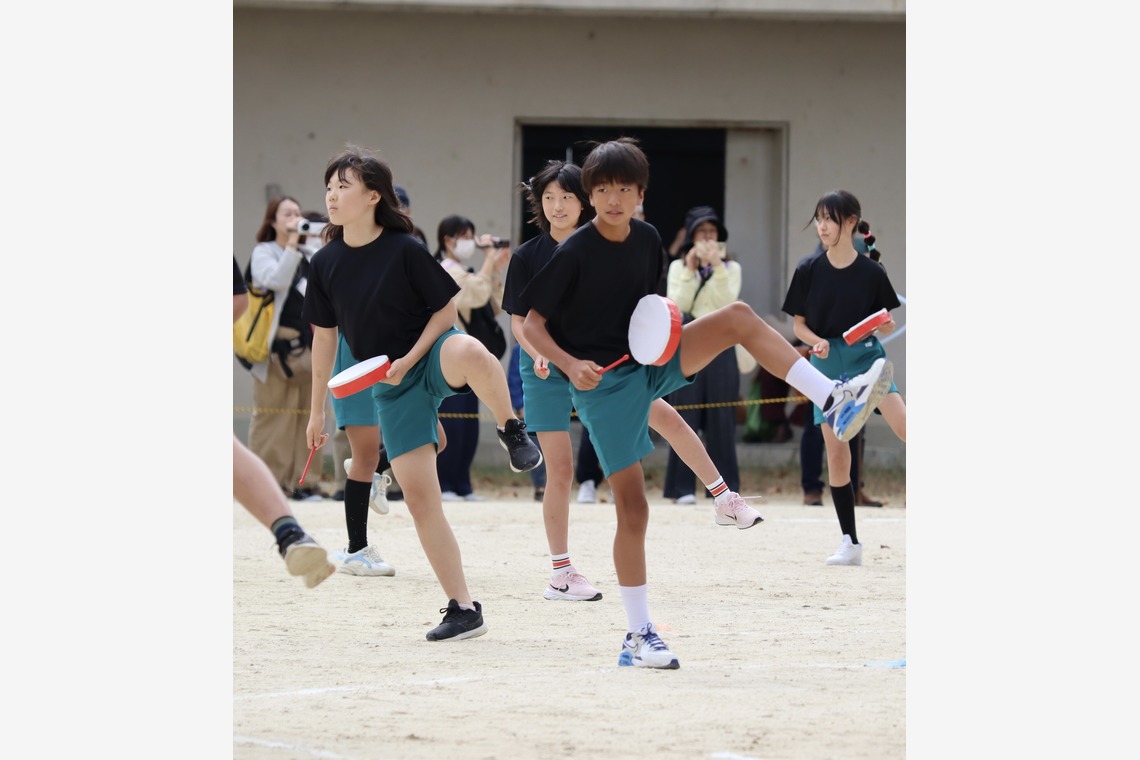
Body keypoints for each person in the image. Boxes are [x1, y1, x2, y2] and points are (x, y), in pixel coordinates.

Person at [520, 138, 892, 667]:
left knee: (739, 315)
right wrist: (566, 362)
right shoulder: (573, 251)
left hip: (651, 359)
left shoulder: (648, 240)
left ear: (641, 194)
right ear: (590, 193)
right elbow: (533, 325)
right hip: (604, 386)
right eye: (601, 189)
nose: (613, 198)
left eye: (624, 188)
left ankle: (832, 398)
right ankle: (638, 634)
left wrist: (665, 336)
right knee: (634, 506)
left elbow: (644, 308)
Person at [302, 145, 543, 642]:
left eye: (342, 185)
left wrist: (410, 359)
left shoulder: (405, 248)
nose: (331, 194)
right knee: (421, 501)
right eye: (328, 186)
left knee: (472, 351)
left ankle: (511, 428)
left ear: (372, 196)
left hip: (428, 355)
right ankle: (463, 608)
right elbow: (324, 339)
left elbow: (446, 315)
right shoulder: (324, 264)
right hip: (389, 387)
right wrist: (316, 413)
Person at [505, 159, 764, 605]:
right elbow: (521, 323)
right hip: (547, 367)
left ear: (583, 200)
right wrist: (543, 357)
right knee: (561, 471)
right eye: (548, 197)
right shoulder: (528, 256)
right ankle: (561, 572)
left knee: (669, 419)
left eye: (566, 196)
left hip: (605, 364)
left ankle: (724, 497)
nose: (558, 205)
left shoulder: (608, 244)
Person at [782, 190, 907, 565]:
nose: (821, 226)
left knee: (904, 424)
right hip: (825, 363)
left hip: (868, 358)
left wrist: (883, 324)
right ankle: (850, 543)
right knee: (838, 457)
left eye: (829, 219)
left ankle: (869, 393)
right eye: (818, 218)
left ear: (851, 222)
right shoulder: (808, 269)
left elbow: (888, 324)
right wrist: (816, 341)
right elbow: (799, 326)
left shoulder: (872, 272)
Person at [233, 257, 335, 589]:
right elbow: (240, 298)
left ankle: (293, 519)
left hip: (299, 351)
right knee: (261, 430)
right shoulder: (264, 253)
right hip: (273, 355)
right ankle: (289, 533)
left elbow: (237, 299)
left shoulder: (309, 260)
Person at [242, 196, 326, 501]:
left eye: (297, 213)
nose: (294, 218)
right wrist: (291, 244)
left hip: (308, 348)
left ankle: (304, 482)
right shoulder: (264, 252)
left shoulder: (308, 252)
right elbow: (275, 280)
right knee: (273, 418)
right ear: (273, 221)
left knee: (308, 416)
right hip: (273, 350)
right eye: (287, 214)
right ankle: (267, 484)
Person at [662, 206, 742, 505]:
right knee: (685, 414)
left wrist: (717, 266)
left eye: (712, 233)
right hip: (688, 346)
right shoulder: (677, 268)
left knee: (722, 417)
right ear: (691, 237)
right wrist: (692, 270)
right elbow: (677, 303)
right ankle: (682, 488)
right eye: (701, 232)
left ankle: (724, 487)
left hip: (721, 347)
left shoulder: (732, 269)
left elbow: (727, 302)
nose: (707, 238)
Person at [433, 215, 512, 501]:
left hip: (469, 361)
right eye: (464, 236)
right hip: (449, 358)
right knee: (452, 422)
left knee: (468, 425)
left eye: (471, 235)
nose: (469, 242)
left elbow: (494, 305)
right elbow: (474, 293)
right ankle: (444, 484)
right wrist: (489, 260)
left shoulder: (465, 269)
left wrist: (495, 268)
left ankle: (462, 484)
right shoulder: (444, 269)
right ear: (448, 240)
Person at [507, 342, 546, 501]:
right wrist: (518, 404)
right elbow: (514, 378)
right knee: (535, 447)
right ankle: (540, 485)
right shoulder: (519, 349)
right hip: (529, 406)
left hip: (551, 404)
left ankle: (553, 485)